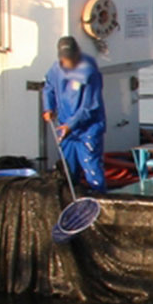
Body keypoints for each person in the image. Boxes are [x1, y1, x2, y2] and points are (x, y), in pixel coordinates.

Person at [44, 36, 107, 191]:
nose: (67, 63)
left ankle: (100, 199)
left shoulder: (89, 71)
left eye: (70, 59)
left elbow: (90, 106)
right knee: (68, 171)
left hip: (87, 129)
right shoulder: (56, 69)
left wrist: (71, 125)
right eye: (64, 60)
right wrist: (48, 108)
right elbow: (48, 88)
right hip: (65, 128)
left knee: (92, 169)